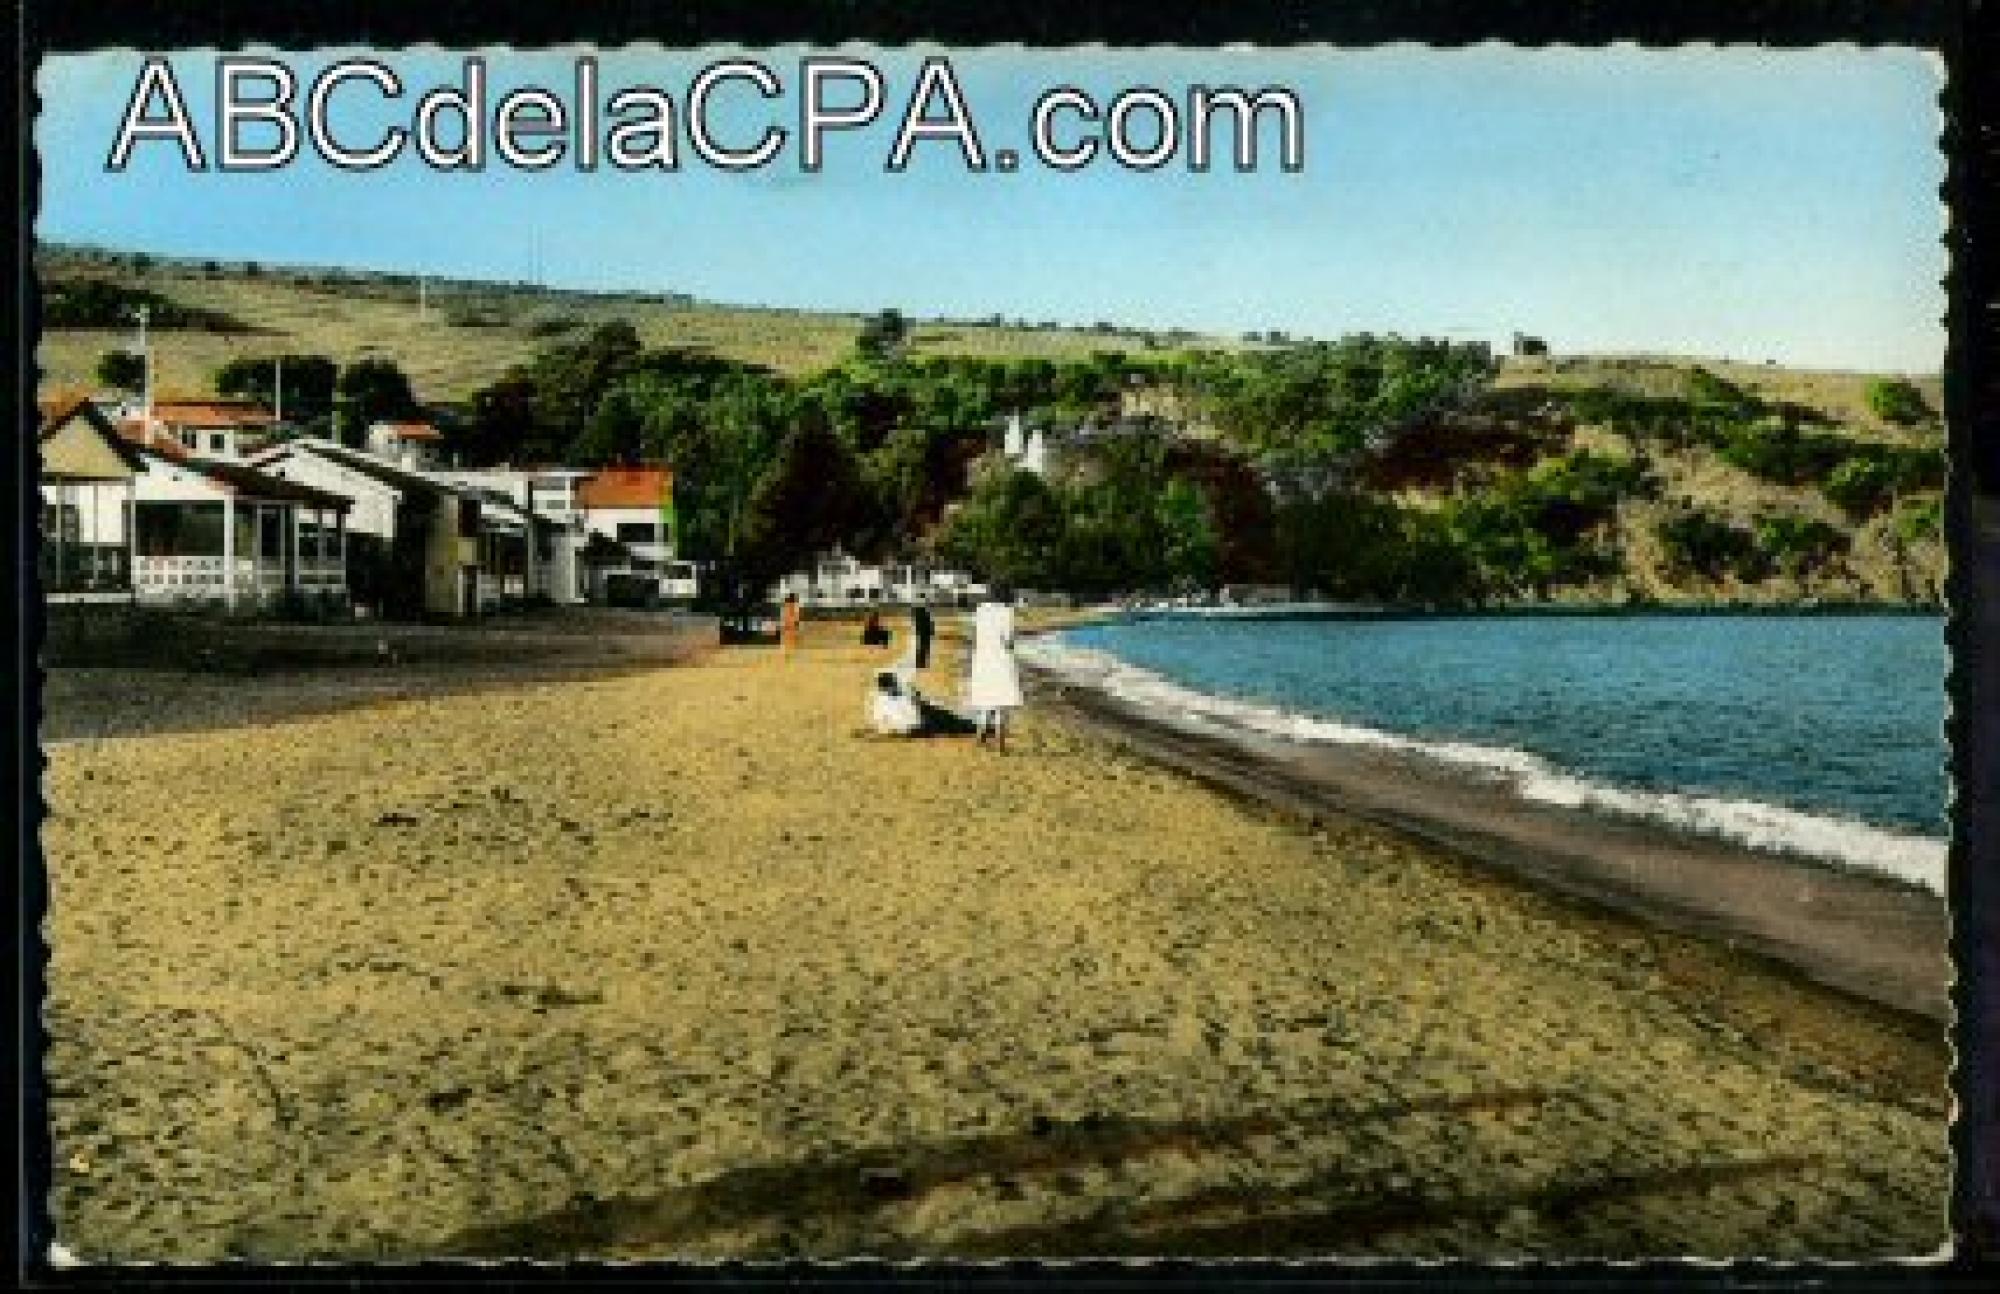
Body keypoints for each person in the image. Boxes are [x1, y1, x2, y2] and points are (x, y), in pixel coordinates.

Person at [964, 584, 1023, 751]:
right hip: (1000, 658)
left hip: (982, 658)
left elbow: (975, 635)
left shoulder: (980, 610)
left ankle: (980, 737)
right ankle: (1000, 743)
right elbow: (1009, 640)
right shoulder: (1007, 612)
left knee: (986, 698)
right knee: (1002, 701)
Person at [910, 596, 935, 670]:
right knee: (924, 647)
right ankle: (922, 663)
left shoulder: (919, 610)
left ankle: (921, 663)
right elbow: (929, 622)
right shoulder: (925, 611)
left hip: (922, 631)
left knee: (921, 646)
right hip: (923, 631)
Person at [779, 592, 802, 657]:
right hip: (791, 623)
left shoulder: (788, 605)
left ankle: (786, 652)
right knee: (791, 638)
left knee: (787, 638)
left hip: (788, 623)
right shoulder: (794, 605)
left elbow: (784, 615)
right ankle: (789, 652)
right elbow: (796, 616)